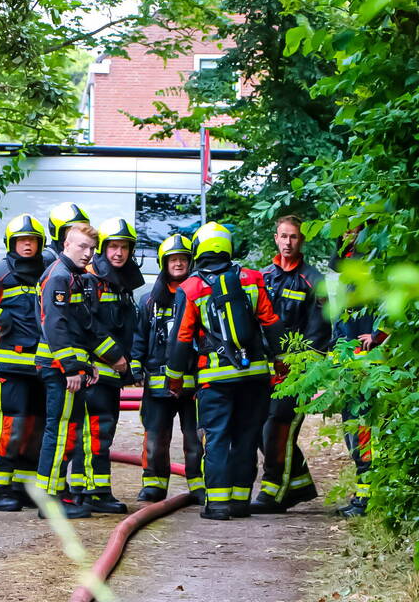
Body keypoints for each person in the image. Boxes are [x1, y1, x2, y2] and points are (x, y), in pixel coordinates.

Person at [165, 222, 282, 520]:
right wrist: (281, 361)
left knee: (216, 437)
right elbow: (271, 323)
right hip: (254, 375)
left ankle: (216, 504)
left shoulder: (190, 288)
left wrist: (175, 378)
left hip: (214, 380)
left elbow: (181, 337)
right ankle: (241, 502)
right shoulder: (253, 279)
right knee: (246, 436)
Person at [34, 223, 126, 519]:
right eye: (81, 247)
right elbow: (56, 325)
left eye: (91, 249)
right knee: (59, 432)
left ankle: (59, 493)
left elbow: (84, 326)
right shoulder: (59, 276)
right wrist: (72, 367)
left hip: (72, 366)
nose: (88, 254)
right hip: (59, 367)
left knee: (70, 430)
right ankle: (49, 499)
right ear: (65, 245)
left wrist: (94, 363)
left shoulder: (76, 277)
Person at [252, 214, 332, 514]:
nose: (288, 242)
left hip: (296, 372)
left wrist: (303, 370)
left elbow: (320, 331)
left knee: (277, 428)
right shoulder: (263, 277)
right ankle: (298, 487)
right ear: (275, 238)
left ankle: (271, 491)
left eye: (294, 237)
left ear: (302, 240)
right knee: (260, 427)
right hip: (264, 370)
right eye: (283, 236)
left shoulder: (315, 280)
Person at [0, 214, 47, 511]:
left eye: (31, 241)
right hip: (8, 366)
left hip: (39, 365)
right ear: (11, 243)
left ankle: (24, 487)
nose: (27, 246)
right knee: (9, 427)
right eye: (21, 241)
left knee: (35, 427)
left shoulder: (46, 272)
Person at [67, 218, 138, 513]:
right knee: (93, 432)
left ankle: (97, 489)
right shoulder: (90, 279)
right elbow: (90, 326)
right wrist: (116, 357)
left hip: (110, 373)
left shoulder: (120, 283)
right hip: (95, 370)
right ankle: (87, 491)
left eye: (124, 247)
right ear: (102, 249)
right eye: (113, 247)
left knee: (103, 431)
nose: (119, 253)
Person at [131, 233, 204, 503]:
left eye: (183, 259)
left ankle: (198, 485)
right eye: (173, 259)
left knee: (195, 439)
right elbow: (139, 336)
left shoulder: (199, 296)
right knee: (155, 437)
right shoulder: (149, 300)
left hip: (192, 384)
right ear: (164, 263)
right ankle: (154, 484)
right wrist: (137, 367)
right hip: (157, 384)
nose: (178, 263)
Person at [330, 224, 387, 517]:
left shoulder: (375, 258)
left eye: (354, 228)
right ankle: (363, 496)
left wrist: (378, 335)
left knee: (364, 432)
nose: (348, 233)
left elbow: (393, 300)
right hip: (350, 361)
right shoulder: (347, 263)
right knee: (353, 431)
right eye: (345, 229)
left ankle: (367, 500)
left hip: (370, 363)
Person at [41, 202, 90, 267]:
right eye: (73, 230)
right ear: (59, 233)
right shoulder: (47, 259)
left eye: (83, 230)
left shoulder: (82, 255)